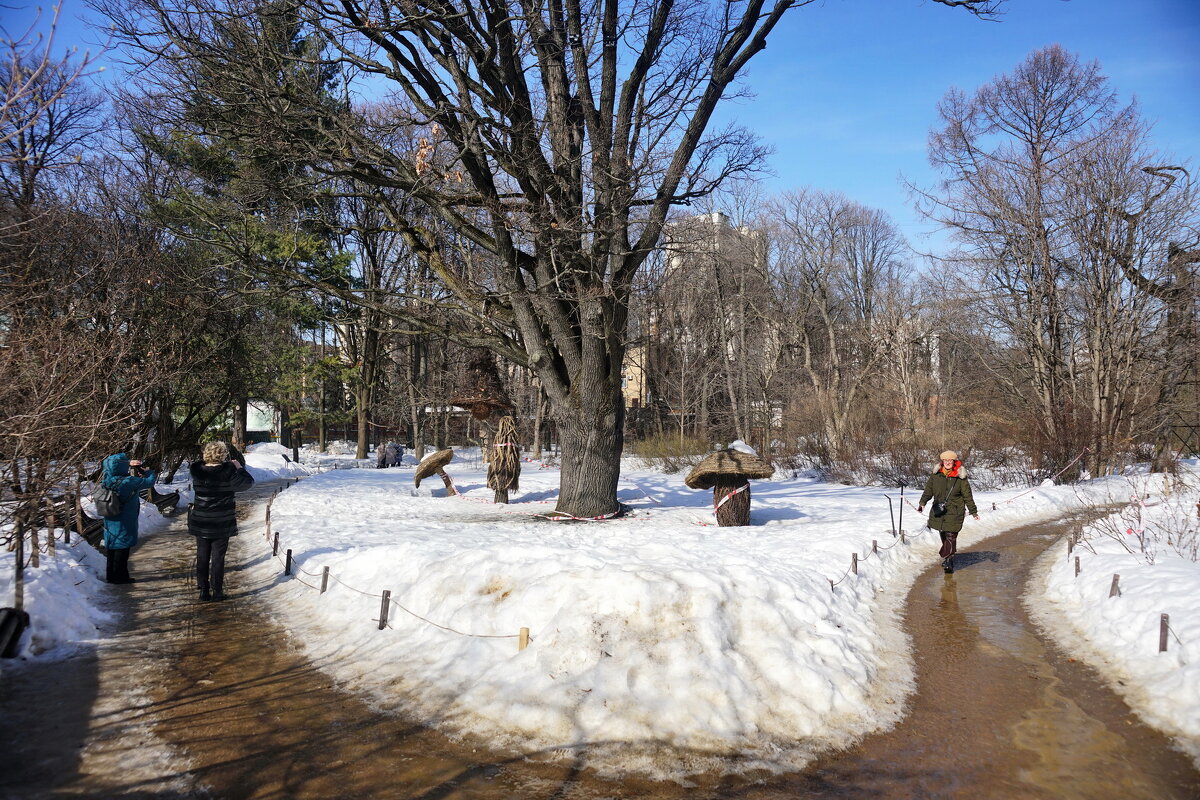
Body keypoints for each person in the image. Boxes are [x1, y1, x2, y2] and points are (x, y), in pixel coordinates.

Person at [189, 441, 255, 601]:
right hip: (221, 521)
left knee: (202, 555)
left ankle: (203, 589)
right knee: (218, 556)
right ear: (223, 455)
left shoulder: (197, 472)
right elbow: (248, 483)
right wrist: (239, 467)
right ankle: (217, 591)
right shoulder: (229, 473)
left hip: (201, 520)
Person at [917, 450, 980, 572]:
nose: (947, 462)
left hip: (955, 511)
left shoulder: (960, 477)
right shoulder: (936, 475)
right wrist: (922, 503)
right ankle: (949, 557)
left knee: (951, 535)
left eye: (950, 460)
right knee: (944, 534)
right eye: (945, 460)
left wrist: (974, 512)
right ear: (942, 461)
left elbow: (967, 496)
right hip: (940, 510)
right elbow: (928, 491)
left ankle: (947, 559)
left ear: (954, 461)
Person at [99, 453, 157, 584]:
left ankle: (111, 576)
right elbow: (149, 482)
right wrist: (148, 472)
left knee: (113, 546)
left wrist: (125, 463)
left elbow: (110, 466)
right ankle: (121, 577)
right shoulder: (128, 481)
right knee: (123, 548)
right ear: (122, 466)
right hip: (125, 518)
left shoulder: (107, 479)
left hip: (110, 516)